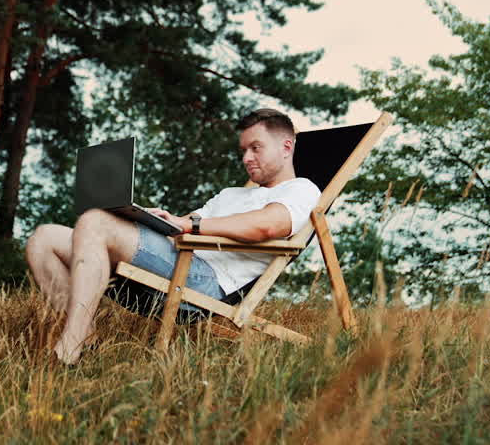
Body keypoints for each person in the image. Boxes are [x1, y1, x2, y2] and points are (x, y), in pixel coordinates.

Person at [24, 107, 320, 364]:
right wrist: (159, 220)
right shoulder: (232, 194)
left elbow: (268, 225)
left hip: (207, 284)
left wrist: (193, 226)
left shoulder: (302, 190)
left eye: (256, 148)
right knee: (44, 238)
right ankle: (83, 334)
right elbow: (186, 224)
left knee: (95, 221)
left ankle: (68, 351)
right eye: (243, 150)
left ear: (286, 147)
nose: (246, 158)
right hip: (179, 258)